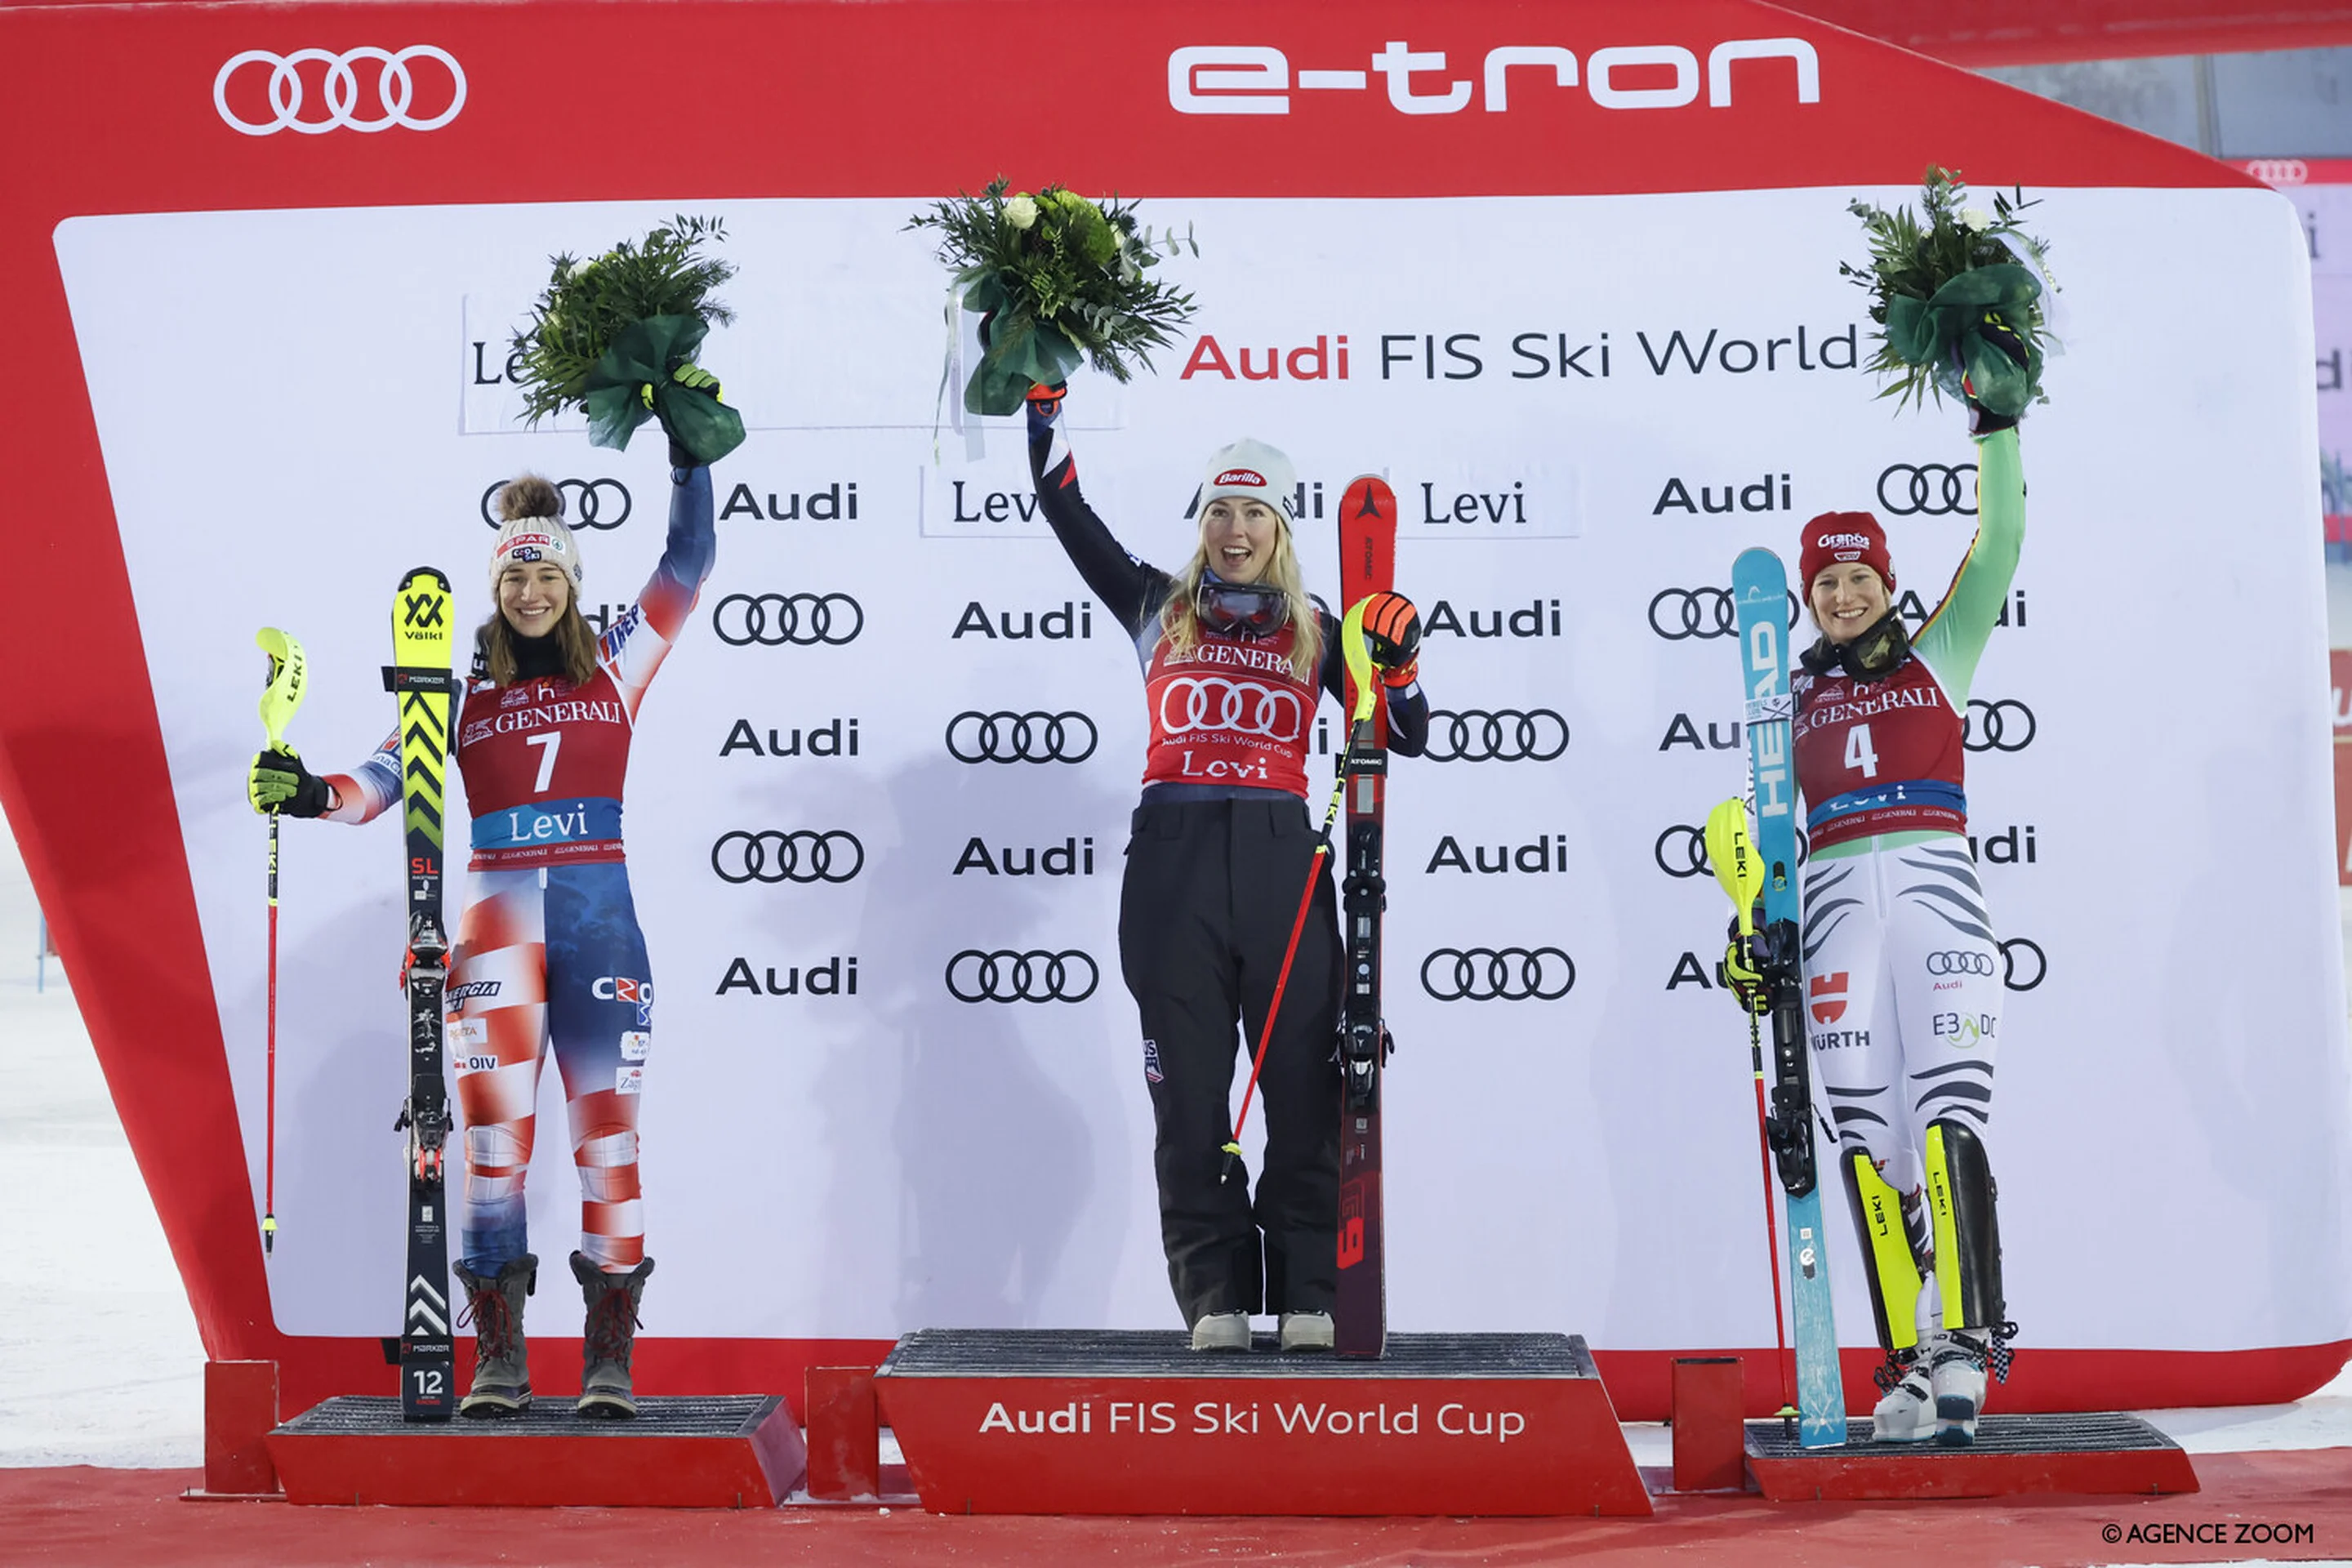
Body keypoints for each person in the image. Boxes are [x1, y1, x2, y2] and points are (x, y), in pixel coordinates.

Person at [247, 379, 720, 1418]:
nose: (531, 592)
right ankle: (498, 1360)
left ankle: (609, 1362)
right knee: (494, 1150)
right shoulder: (455, 695)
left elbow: (688, 566)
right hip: (495, 930)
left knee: (610, 1144)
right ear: (497, 592)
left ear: (568, 579)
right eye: (515, 579)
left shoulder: (619, 668)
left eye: (545, 572)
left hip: (601, 923)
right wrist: (305, 791)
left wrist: (690, 454)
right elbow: (376, 789)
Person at [1024, 381, 1430, 1351]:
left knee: (1302, 1087)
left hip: (1284, 858)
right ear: (1200, 520)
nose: (1235, 529)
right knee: (1193, 1096)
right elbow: (1063, 504)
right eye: (1219, 510)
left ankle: (1308, 1295)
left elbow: (1405, 734)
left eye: (1255, 512)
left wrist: (1401, 664)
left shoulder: (1320, 628)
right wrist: (1042, 405)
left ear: (1282, 527)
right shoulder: (1153, 606)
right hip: (1173, 863)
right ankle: (1213, 1295)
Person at [1730, 335, 2025, 1444]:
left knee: (1951, 1117)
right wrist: (1757, 920)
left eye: (1858, 576)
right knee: (1867, 1137)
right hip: (1840, 906)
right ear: (1809, 597)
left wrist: (1996, 429)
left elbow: (1998, 545)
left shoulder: (1938, 654)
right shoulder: (1789, 693)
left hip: (1939, 892)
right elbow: (1762, 826)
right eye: (1827, 581)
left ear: (1886, 583)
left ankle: (1967, 1349)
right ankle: (1904, 1356)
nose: (1843, 594)